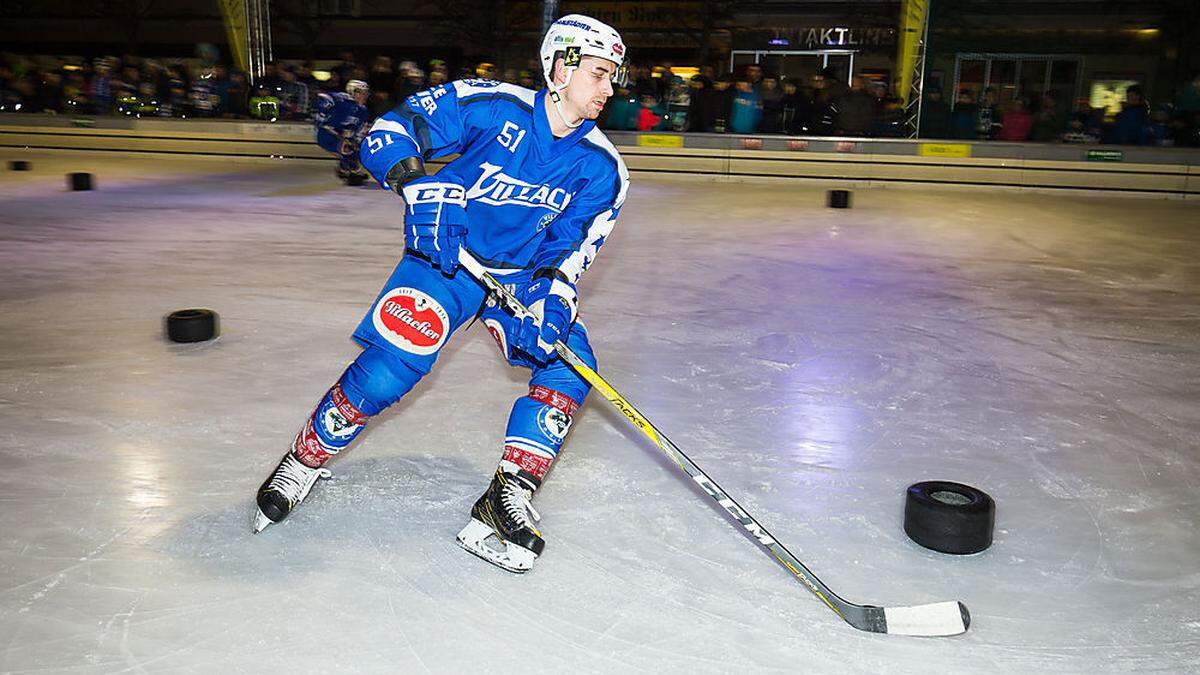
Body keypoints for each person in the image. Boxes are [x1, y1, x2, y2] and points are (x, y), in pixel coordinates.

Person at [253, 14, 631, 576]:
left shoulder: (604, 169)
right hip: (447, 255)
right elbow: (390, 131)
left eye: (614, 77)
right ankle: (302, 461)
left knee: (569, 366)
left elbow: (570, 250)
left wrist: (554, 297)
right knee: (389, 371)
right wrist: (414, 182)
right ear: (559, 65)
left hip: (520, 276)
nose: (610, 89)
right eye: (600, 74)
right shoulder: (492, 104)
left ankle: (504, 500)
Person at [313, 79, 371, 184]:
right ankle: (352, 171)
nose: (365, 96)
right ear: (353, 92)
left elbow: (358, 129)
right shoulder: (341, 99)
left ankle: (344, 170)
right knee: (347, 148)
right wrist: (321, 116)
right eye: (362, 93)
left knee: (355, 148)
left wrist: (357, 140)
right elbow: (323, 98)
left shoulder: (362, 110)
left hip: (342, 135)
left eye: (365, 93)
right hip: (327, 133)